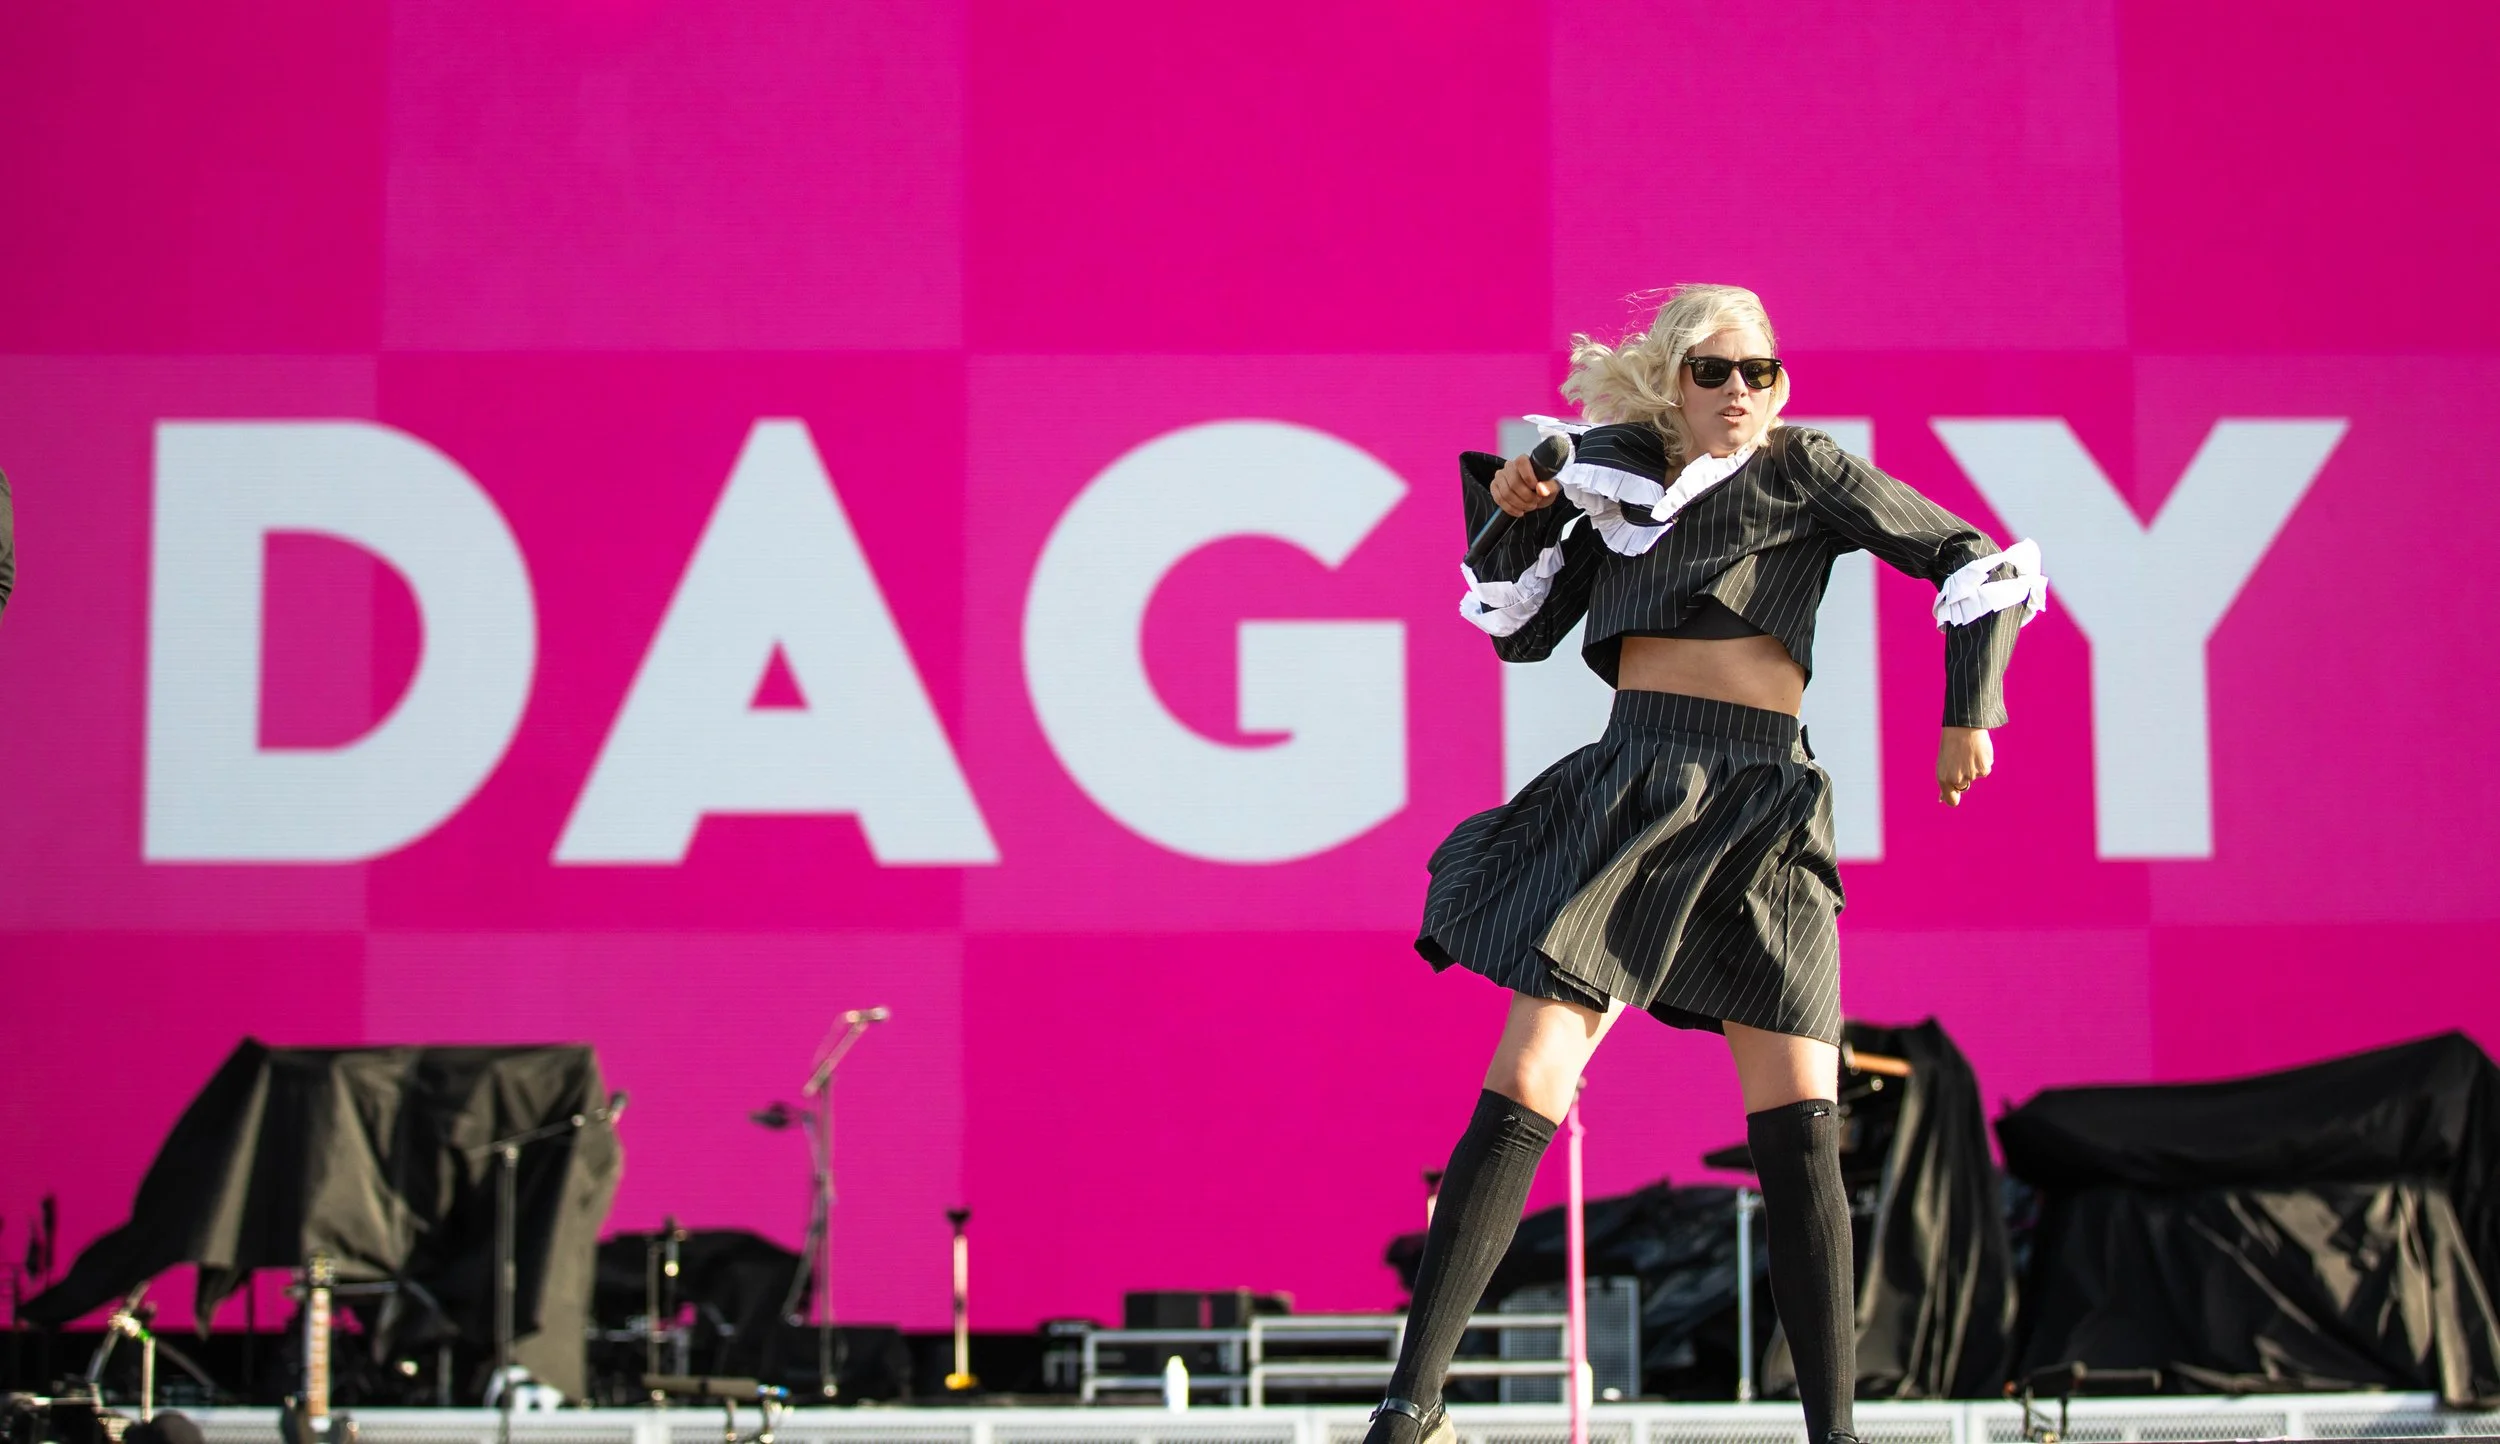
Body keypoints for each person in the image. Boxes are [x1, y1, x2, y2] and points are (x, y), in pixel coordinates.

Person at [1372, 285, 2046, 1444]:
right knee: (1529, 1070)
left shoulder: (1809, 470)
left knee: (1800, 1118)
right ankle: (1410, 1399)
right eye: (1718, 372)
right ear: (1674, 380)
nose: (1744, 391)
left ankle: (1832, 1432)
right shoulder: (1612, 482)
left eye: (1763, 371)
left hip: (1764, 802)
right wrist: (1522, 504)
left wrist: (1964, 708)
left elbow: (1966, 557)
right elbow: (1516, 623)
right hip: (1633, 785)